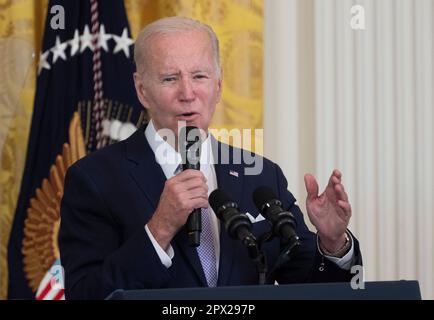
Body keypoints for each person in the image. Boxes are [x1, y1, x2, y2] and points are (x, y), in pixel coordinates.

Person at [59, 16, 362, 300]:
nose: (187, 93)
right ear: (142, 90)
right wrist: (159, 229)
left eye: (199, 76)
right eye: (169, 79)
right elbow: (86, 293)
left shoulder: (261, 175)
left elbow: (314, 288)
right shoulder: (94, 179)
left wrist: (333, 243)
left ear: (218, 86)